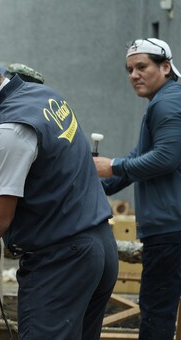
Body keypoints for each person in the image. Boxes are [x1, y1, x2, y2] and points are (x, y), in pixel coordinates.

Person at [0, 45, 118, 340]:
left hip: (62, 260)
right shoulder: (45, 97)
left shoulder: (8, 128)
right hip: (100, 248)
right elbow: (54, 173)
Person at [94, 38, 181, 340]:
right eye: (129, 69)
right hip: (170, 229)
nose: (133, 75)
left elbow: (165, 159)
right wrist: (97, 183)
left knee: (157, 312)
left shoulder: (167, 103)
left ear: (166, 67)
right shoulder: (164, 102)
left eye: (142, 67)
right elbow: (136, 161)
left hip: (170, 230)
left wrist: (112, 166)